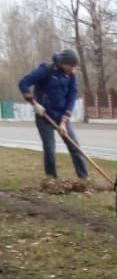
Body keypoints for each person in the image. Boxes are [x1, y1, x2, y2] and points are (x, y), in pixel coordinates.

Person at [18, 49, 89, 186]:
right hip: (44, 116)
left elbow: (71, 97)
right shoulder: (46, 70)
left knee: (75, 146)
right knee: (50, 149)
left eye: (75, 67)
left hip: (62, 116)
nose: (74, 69)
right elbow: (23, 83)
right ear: (64, 63)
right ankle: (51, 180)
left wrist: (64, 121)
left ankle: (84, 179)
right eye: (72, 66)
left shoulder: (71, 76)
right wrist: (33, 103)